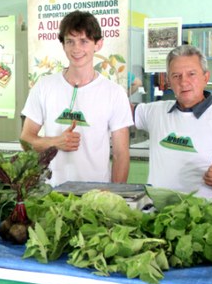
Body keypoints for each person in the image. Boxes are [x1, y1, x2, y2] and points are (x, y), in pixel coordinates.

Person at [20, 10, 132, 186]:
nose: (76, 48)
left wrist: (114, 197)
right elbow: (26, 140)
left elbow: (121, 154)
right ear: (63, 45)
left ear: (98, 44)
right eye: (70, 41)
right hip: (52, 195)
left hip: (96, 197)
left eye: (84, 41)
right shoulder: (44, 86)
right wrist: (56, 142)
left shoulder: (114, 93)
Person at [133, 44, 212, 198]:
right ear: (169, 81)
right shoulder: (155, 112)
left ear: (205, 77)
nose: (184, 82)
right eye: (176, 76)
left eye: (191, 74)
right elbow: (120, 109)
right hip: (158, 214)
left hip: (203, 216)